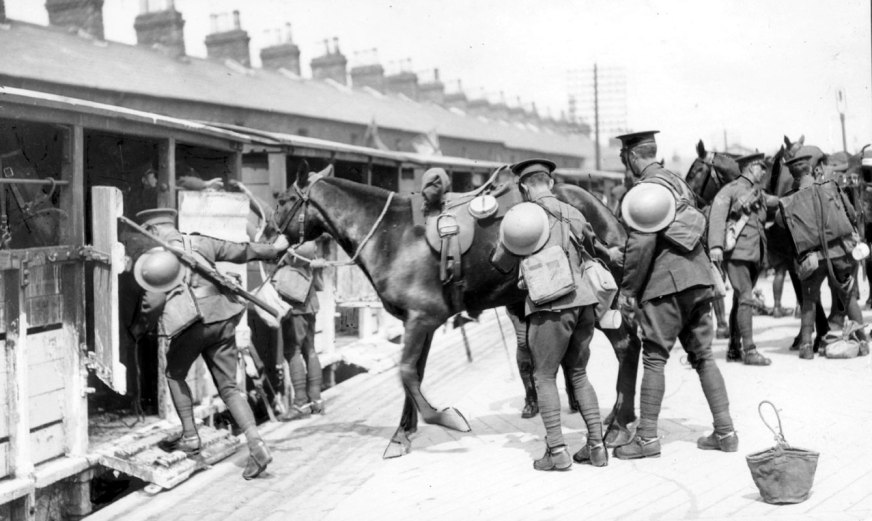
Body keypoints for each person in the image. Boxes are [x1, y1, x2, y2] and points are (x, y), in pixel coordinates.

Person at [130, 208, 290, 480]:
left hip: (192, 324)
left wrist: (136, 329)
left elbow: (153, 302)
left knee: (174, 373)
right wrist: (273, 248)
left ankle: (191, 437)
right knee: (228, 387)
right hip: (224, 316)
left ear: (152, 231)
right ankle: (257, 444)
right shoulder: (199, 242)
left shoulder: (159, 258)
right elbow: (240, 251)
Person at [610, 131, 737, 459]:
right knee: (704, 357)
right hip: (698, 279)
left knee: (654, 358)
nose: (624, 163)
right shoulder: (677, 181)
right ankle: (726, 432)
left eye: (625, 157)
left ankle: (647, 439)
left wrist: (627, 292)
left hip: (667, 284)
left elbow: (641, 245)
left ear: (633, 156)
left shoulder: (645, 190)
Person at [507, 158, 607, 471]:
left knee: (544, 376)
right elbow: (592, 246)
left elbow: (501, 259)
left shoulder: (522, 216)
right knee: (578, 374)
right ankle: (597, 447)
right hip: (584, 303)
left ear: (524, 186)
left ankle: (557, 450)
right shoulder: (574, 213)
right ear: (550, 182)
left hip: (550, 306)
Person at [777, 154, 870, 359]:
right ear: (810, 169)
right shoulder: (831, 186)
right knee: (848, 295)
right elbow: (852, 214)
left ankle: (806, 346)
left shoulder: (788, 200)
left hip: (812, 258)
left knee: (809, 300)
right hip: (839, 253)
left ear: (794, 175)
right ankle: (862, 340)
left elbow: (781, 222)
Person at [707, 152, 773, 366]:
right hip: (736, 253)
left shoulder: (758, 193)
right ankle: (750, 350)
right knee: (745, 297)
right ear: (750, 167)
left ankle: (735, 348)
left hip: (754, 252)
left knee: (740, 298)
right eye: (761, 167)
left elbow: (771, 207)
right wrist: (716, 245)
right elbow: (717, 216)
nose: (764, 172)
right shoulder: (731, 190)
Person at [277, 240, 329, 421]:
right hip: (310, 304)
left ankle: (300, 403)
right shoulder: (310, 241)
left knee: (293, 351)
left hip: (295, 306)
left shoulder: (295, 243)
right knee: (311, 350)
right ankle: (316, 401)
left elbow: (286, 258)